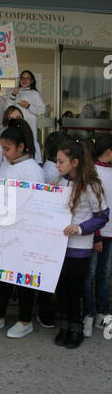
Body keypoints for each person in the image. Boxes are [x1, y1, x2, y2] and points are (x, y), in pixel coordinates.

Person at [0, 119, 53, 338]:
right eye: (2, 149)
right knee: (2, 276)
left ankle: (25, 320)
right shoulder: (8, 164)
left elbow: (36, 204)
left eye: (7, 149)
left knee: (23, 277)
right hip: (4, 230)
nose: (3, 153)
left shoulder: (32, 170)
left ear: (21, 146)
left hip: (24, 233)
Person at [54, 139, 109, 348]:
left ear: (75, 162)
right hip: (58, 246)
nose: (57, 165)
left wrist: (79, 228)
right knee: (62, 289)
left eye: (61, 161)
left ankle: (76, 330)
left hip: (79, 247)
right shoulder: (61, 181)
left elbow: (102, 216)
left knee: (75, 289)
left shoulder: (91, 185)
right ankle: (64, 327)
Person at [83, 133, 112, 337]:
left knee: (104, 274)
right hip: (97, 234)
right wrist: (96, 236)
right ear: (109, 151)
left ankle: (103, 313)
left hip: (109, 234)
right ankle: (89, 314)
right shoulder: (93, 173)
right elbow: (93, 207)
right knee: (91, 275)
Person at [6, 70, 45, 164]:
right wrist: (13, 94)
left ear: (32, 81)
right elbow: (7, 108)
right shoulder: (15, 92)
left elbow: (42, 109)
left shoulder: (35, 94)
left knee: (30, 145)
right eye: (22, 78)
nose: (25, 80)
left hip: (30, 126)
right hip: (16, 127)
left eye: (27, 78)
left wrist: (28, 106)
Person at [0, 105, 24, 175]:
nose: (15, 122)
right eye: (11, 119)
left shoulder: (33, 143)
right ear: (5, 122)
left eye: (18, 118)